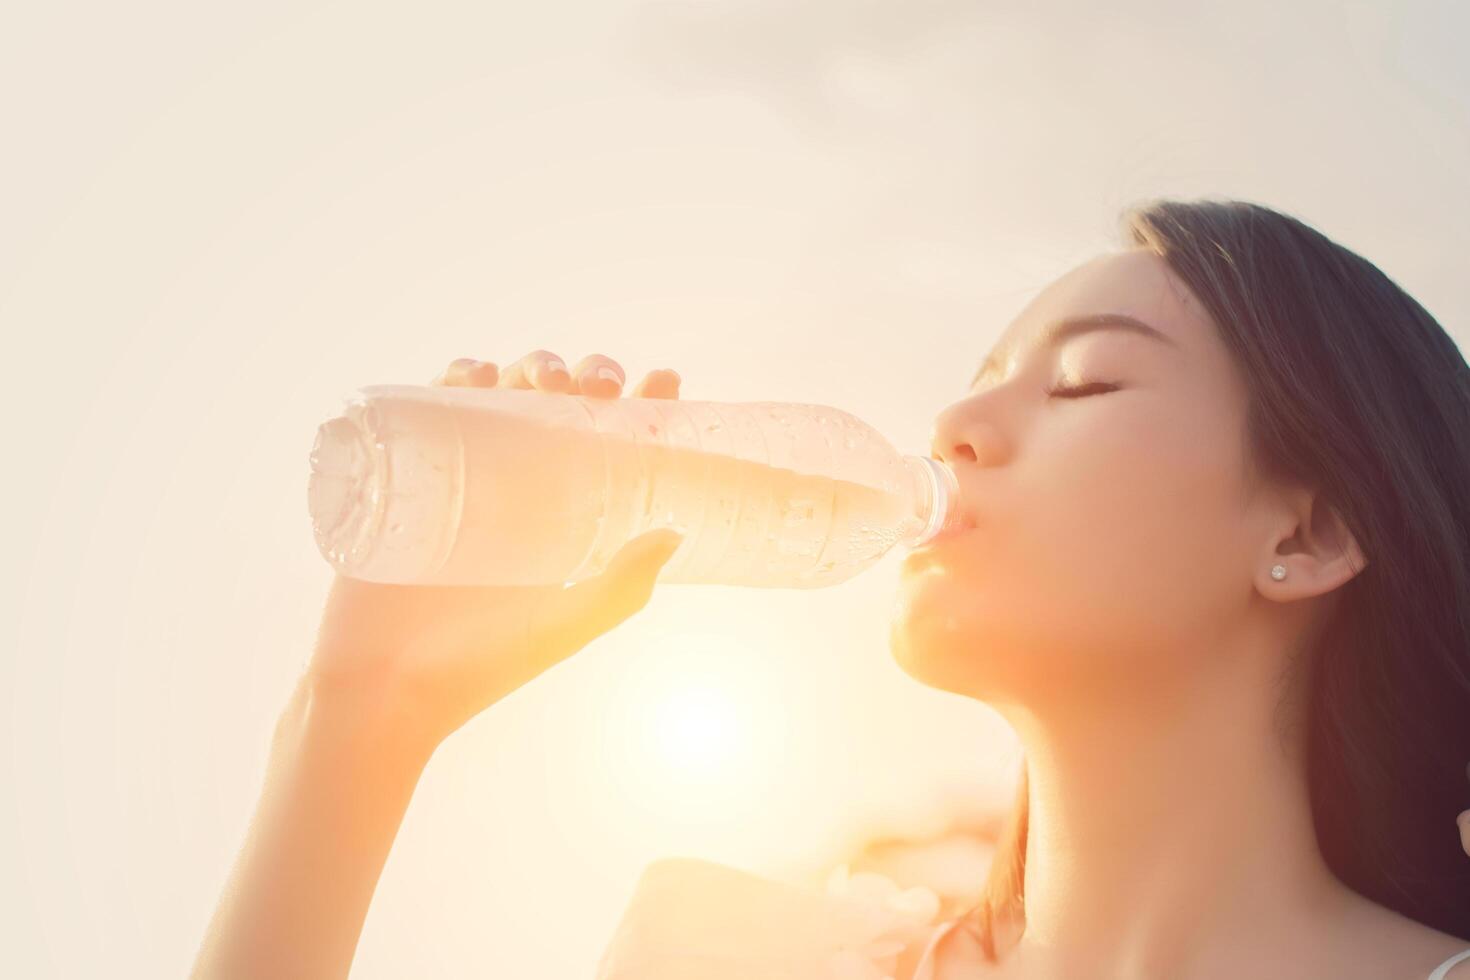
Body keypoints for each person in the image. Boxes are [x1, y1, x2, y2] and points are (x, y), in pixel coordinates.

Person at [192, 199, 1470, 979]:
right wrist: (356, 719)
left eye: (1080, 383)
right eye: (979, 372)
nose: (960, 419)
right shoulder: (735, 959)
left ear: (1305, 531)